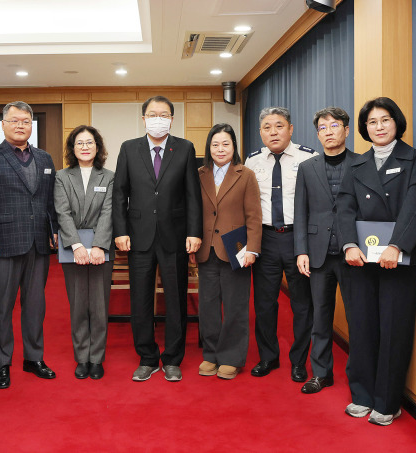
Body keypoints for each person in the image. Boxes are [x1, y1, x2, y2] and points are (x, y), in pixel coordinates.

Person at [337, 97, 416, 426]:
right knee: (362, 327)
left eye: (385, 120)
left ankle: (388, 401)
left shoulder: (414, 159)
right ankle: (362, 395)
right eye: (372, 122)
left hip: (398, 261)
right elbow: (344, 207)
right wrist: (349, 244)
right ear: (364, 128)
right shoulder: (357, 165)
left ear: (397, 123)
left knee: (394, 330)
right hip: (360, 261)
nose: (378, 127)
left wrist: (397, 246)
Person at [113, 95, 202, 382]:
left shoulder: (185, 148)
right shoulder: (129, 148)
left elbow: (192, 194)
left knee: (176, 299)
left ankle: (173, 358)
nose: (158, 119)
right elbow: (119, 193)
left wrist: (194, 232)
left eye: (164, 114)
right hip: (138, 236)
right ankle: (147, 357)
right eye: (152, 114)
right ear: (143, 119)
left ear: (172, 119)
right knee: (140, 300)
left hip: (175, 235)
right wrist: (121, 231)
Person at [0, 101, 59, 389]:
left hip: (38, 242)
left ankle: (34, 358)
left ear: (31, 125)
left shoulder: (44, 158)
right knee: (2, 307)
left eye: (25, 121)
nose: (20, 125)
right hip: (3, 243)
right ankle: (3, 362)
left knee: (35, 305)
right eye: (14, 120)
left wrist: (54, 231)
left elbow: (49, 200)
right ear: (3, 125)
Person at [245, 106, 316, 382]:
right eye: (267, 127)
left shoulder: (309, 158)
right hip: (265, 239)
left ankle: (299, 361)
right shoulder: (253, 161)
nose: (273, 132)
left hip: (298, 239)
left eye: (279, 126)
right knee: (264, 304)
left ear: (291, 129)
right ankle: (268, 357)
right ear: (260, 132)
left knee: (301, 304)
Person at [294, 107, 356, 394]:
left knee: (357, 318)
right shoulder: (307, 168)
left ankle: (360, 376)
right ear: (317, 134)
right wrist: (301, 251)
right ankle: (321, 373)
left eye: (334, 126)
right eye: (322, 127)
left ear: (346, 130)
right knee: (320, 317)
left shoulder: (362, 164)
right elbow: (301, 212)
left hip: (353, 255)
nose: (328, 132)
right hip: (318, 255)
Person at [193, 124, 261, 380]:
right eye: (215, 144)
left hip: (237, 250)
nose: (220, 149)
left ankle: (231, 357)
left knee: (235, 306)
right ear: (208, 148)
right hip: (206, 248)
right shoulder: (199, 174)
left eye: (226, 144)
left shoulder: (246, 175)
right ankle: (211, 354)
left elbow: (254, 216)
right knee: (208, 306)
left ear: (234, 147)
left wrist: (252, 248)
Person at [54, 125, 114, 380]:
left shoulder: (109, 177)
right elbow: (62, 211)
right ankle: (82, 357)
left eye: (90, 142)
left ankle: (97, 358)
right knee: (78, 305)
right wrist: (77, 246)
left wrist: (99, 245)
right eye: (79, 143)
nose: (85, 147)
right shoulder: (61, 176)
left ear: (97, 147)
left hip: (102, 246)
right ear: (72, 148)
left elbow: (109, 212)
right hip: (72, 247)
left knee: (99, 306)